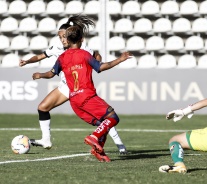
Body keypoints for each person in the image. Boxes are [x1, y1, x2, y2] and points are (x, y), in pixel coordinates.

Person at [19, 15, 127, 154]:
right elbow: (41, 56)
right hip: (66, 86)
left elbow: (97, 57)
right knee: (42, 108)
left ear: (70, 36)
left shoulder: (84, 49)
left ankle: (119, 144)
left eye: (64, 36)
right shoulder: (58, 48)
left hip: (80, 87)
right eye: (60, 37)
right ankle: (46, 140)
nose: (63, 39)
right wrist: (28, 61)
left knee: (104, 117)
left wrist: (91, 66)